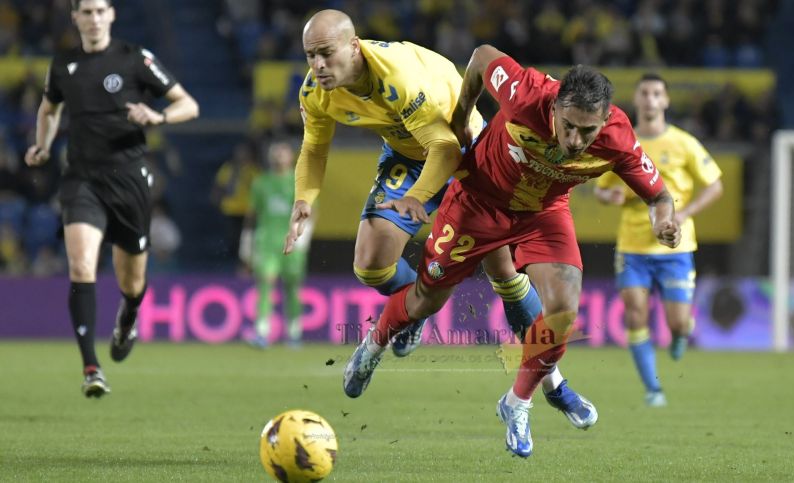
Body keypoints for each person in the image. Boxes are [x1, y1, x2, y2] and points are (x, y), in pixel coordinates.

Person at [343, 44, 681, 457]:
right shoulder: (526, 93)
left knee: (563, 309)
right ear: (555, 106)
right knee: (427, 298)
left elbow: (660, 196)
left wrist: (664, 222)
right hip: (478, 202)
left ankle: (517, 404)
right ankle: (374, 345)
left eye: (587, 131)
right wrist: (462, 113)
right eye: (568, 126)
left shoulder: (619, 140)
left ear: (606, 120)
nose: (575, 141)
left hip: (543, 213)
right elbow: (483, 57)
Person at [285, 10, 594, 426]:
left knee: (504, 274)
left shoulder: (398, 79)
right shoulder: (315, 91)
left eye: (326, 53)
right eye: (310, 56)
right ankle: (411, 314)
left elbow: (447, 149)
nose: (318, 65)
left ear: (353, 46)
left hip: (470, 154)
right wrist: (304, 198)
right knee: (370, 265)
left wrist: (416, 197)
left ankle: (554, 385)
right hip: (410, 157)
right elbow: (314, 146)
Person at [24, 0, 199, 398]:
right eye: (86, 12)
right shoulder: (63, 64)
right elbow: (49, 108)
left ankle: (127, 319)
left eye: (101, 11)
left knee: (132, 283)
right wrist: (43, 145)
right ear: (76, 18)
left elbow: (188, 104)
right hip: (81, 178)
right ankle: (91, 367)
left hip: (129, 181)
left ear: (112, 15)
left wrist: (158, 118)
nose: (94, 18)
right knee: (81, 264)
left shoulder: (135, 59)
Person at [594, 73, 722, 407]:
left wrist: (684, 213)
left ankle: (681, 332)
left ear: (665, 101)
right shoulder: (622, 141)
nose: (650, 99)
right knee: (635, 314)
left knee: (677, 323)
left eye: (656, 94)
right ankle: (653, 389)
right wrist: (610, 198)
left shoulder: (683, 143)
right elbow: (600, 188)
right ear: (637, 100)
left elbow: (715, 185)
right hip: (632, 245)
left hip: (675, 245)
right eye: (645, 93)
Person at [241, 140, 311, 348]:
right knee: (265, 284)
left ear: (291, 156)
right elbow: (252, 215)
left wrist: (303, 238)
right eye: (275, 152)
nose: (279, 156)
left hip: (293, 241)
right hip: (267, 242)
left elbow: (309, 213)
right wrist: (246, 242)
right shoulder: (261, 182)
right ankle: (262, 332)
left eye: (283, 152)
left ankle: (294, 334)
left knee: (293, 287)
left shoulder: (299, 183)